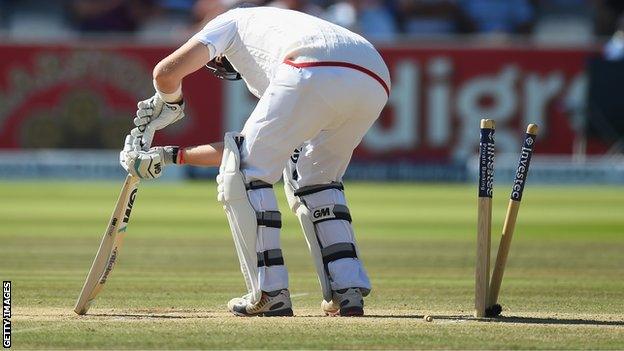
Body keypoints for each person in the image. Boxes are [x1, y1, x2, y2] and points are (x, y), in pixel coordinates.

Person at [119, 5, 390, 317]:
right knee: (315, 181)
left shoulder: (229, 20)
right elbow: (248, 148)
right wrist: (170, 156)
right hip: (374, 74)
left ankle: (268, 292)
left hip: (312, 65)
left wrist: (169, 102)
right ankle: (347, 288)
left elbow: (165, 73)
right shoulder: (280, 33)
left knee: (242, 175)